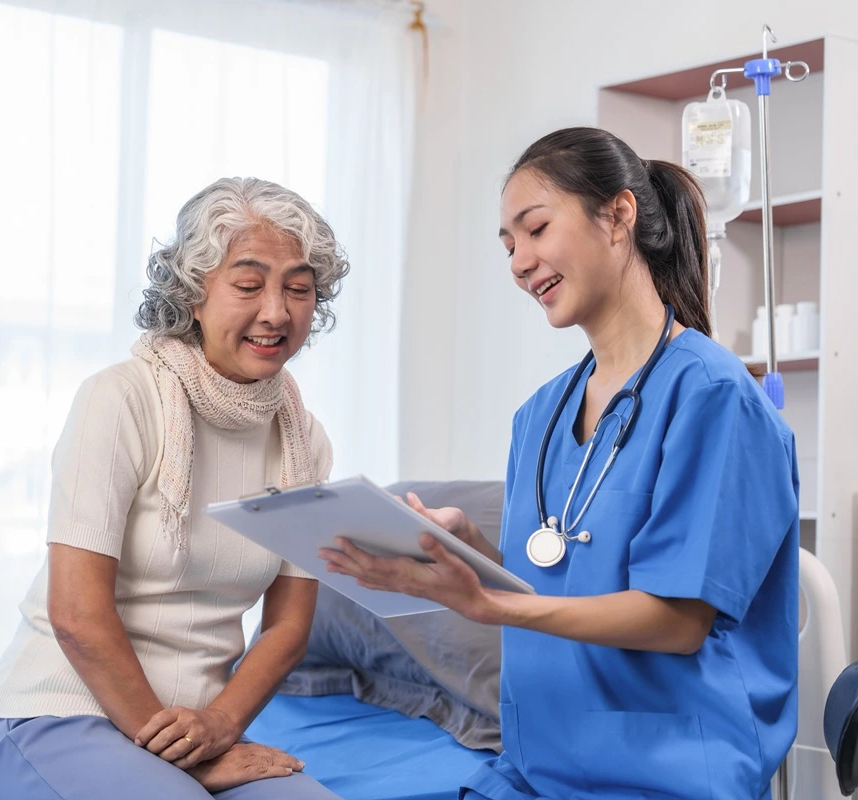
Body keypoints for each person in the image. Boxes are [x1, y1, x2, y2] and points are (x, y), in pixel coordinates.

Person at [322, 127, 799, 799]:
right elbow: (555, 582)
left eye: (536, 229)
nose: (519, 261)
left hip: (667, 771)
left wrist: (491, 604)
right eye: (509, 244)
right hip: (536, 763)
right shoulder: (539, 417)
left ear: (618, 216)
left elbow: (678, 621)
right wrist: (474, 554)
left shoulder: (714, 399)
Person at [0, 177, 347, 800]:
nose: (277, 312)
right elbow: (75, 615)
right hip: (64, 712)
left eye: (299, 288)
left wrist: (220, 726)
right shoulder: (120, 398)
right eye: (248, 284)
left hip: (200, 731)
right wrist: (175, 755)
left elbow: (287, 627)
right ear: (193, 295)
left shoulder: (303, 439)